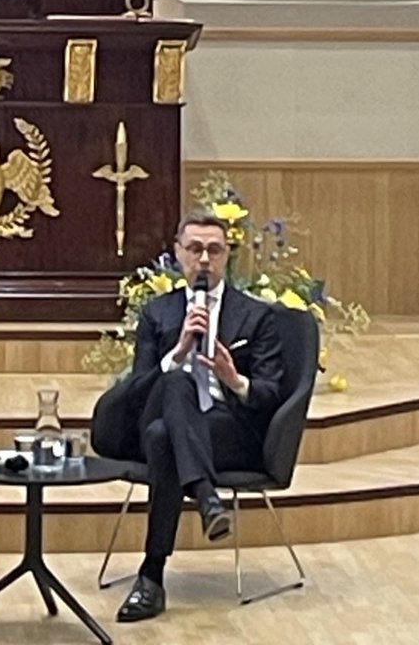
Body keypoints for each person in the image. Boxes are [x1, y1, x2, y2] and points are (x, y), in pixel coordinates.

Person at [115, 208, 283, 623]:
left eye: (213, 250)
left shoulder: (255, 315)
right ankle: (206, 497)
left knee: (161, 439)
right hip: (168, 413)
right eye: (194, 249)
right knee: (173, 385)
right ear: (177, 254)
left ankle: (151, 576)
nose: (204, 260)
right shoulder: (158, 313)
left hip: (226, 428)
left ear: (227, 256)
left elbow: (271, 393)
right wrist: (178, 354)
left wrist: (234, 378)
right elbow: (137, 389)